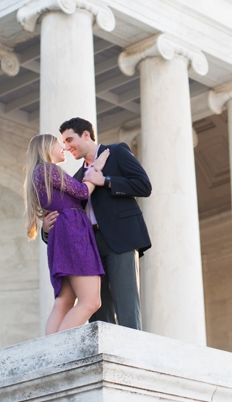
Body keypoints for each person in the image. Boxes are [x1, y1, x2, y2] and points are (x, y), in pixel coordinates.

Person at [42, 117, 151, 330]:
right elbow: (65, 218)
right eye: (63, 142)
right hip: (88, 246)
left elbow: (143, 185)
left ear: (86, 134)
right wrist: (47, 231)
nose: (66, 146)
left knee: (126, 302)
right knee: (98, 308)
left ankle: (132, 354)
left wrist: (106, 181)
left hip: (120, 238)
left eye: (70, 139)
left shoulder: (117, 152)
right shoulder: (76, 178)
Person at [25, 133, 110, 334]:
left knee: (64, 301)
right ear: (46, 148)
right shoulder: (48, 168)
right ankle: (58, 350)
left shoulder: (38, 173)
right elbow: (82, 192)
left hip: (61, 234)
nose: (63, 147)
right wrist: (96, 168)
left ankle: (50, 352)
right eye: (58, 144)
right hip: (73, 232)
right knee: (91, 301)